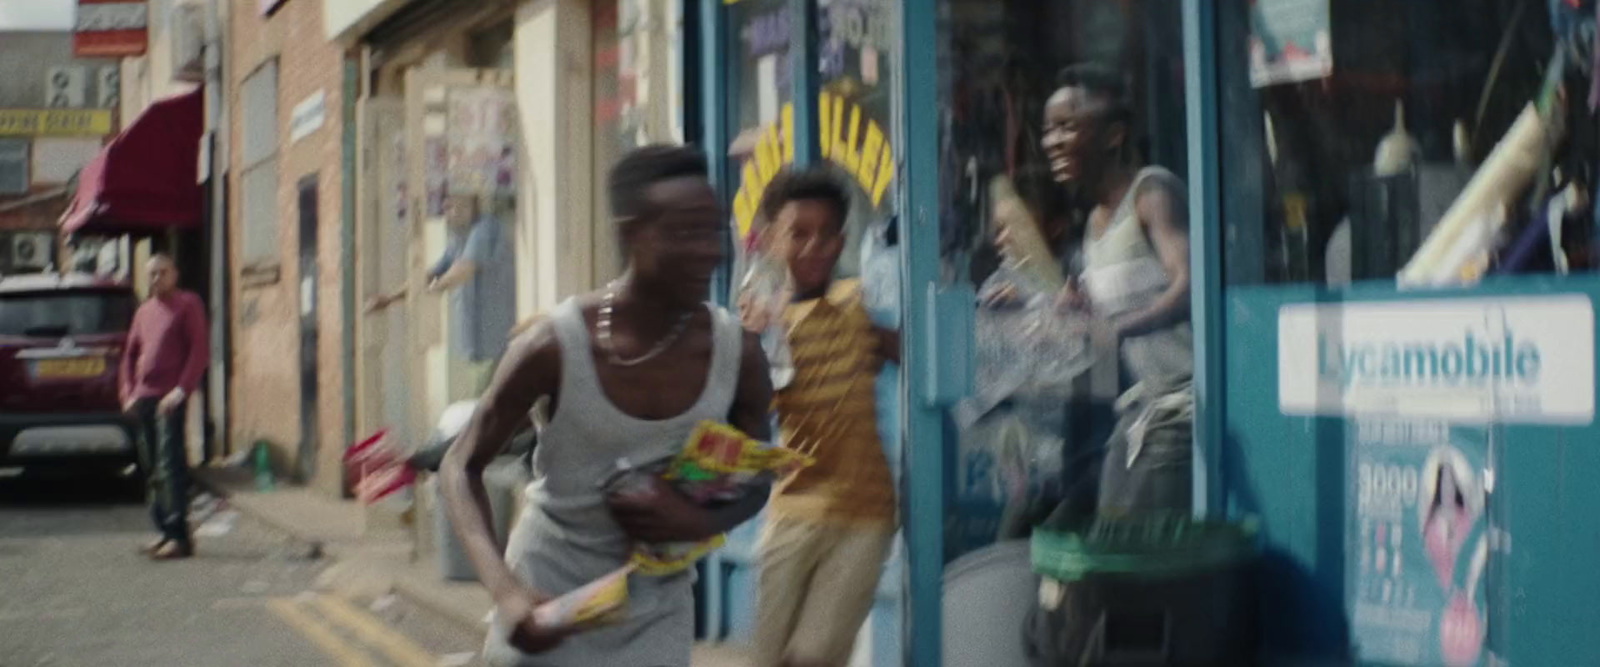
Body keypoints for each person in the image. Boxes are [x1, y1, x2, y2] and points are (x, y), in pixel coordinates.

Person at [439, 145, 774, 667]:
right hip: (547, 603)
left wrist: (690, 519)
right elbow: (460, 466)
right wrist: (507, 594)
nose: (707, 251)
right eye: (684, 232)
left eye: (712, 231)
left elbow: (756, 479)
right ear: (631, 234)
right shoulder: (554, 346)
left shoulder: (739, 355)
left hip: (656, 615)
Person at [741, 169, 901, 667]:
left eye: (827, 234)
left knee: (813, 657)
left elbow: (914, 351)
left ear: (843, 241)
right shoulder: (761, 326)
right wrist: (750, 343)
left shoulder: (859, 303)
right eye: (798, 233)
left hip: (865, 513)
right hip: (792, 512)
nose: (815, 247)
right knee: (769, 658)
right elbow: (741, 420)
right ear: (770, 241)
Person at [1034, 63, 1195, 514]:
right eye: (1048, 130)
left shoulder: (1153, 193)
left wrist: (1116, 328)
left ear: (1113, 135)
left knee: (1128, 550)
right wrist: (1065, 309)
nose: (1052, 142)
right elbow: (1101, 320)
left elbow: (1190, 286)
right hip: (1140, 411)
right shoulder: (1094, 225)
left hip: (1182, 410)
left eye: (1066, 127)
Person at [368, 192, 517, 392]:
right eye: (444, 208)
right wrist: (391, 298)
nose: (447, 213)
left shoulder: (485, 229)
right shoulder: (458, 238)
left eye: (451, 206)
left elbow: (464, 268)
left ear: (470, 203)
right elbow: (434, 273)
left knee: (486, 406)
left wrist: (432, 292)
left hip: (496, 344)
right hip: (475, 347)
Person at [121, 254, 210, 561]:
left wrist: (181, 390)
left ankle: (179, 537)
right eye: (152, 274)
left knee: (170, 465)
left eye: (163, 272)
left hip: (168, 399)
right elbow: (130, 355)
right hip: (143, 397)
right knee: (150, 468)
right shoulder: (144, 311)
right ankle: (163, 530)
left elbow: (199, 350)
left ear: (176, 274)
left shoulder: (188, 304)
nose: (157, 279)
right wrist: (128, 394)